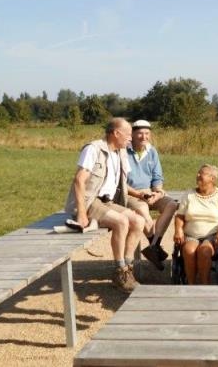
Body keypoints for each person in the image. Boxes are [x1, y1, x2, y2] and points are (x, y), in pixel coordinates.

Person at [64, 118, 145, 293]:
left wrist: (139, 194)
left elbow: (122, 183)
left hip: (108, 202)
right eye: (128, 134)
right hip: (91, 201)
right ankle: (119, 271)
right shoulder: (93, 149)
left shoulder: (121, 152)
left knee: (139, 221)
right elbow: (79, 180)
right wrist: (81, 213)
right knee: (122, 222)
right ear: (116, 133)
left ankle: (128, 268)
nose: (131, 138)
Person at [125, 119, 178, 271]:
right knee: (142, 209)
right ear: (132, 134)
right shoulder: (123, 151)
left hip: (149, 191)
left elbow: (157, 177)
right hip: (131, 193)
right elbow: (121, 182)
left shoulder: (152, 151)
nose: (144, 137)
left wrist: (157, 192)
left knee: (172, 204)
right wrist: (140, 195)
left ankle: (153, 246)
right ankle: (154, 249)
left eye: (147, 133)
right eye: (140, 133)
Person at [173, 164, 218, 284]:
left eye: (202, 173)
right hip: (191, 234)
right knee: (188, 250)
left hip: (213, 235)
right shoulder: (189, 194)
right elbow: (180, 216)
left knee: (204, 251)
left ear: (212, 178)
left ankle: (204, 284)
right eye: (198, 173)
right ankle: (191, 285)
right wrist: (178, 230)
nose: (198, 175)